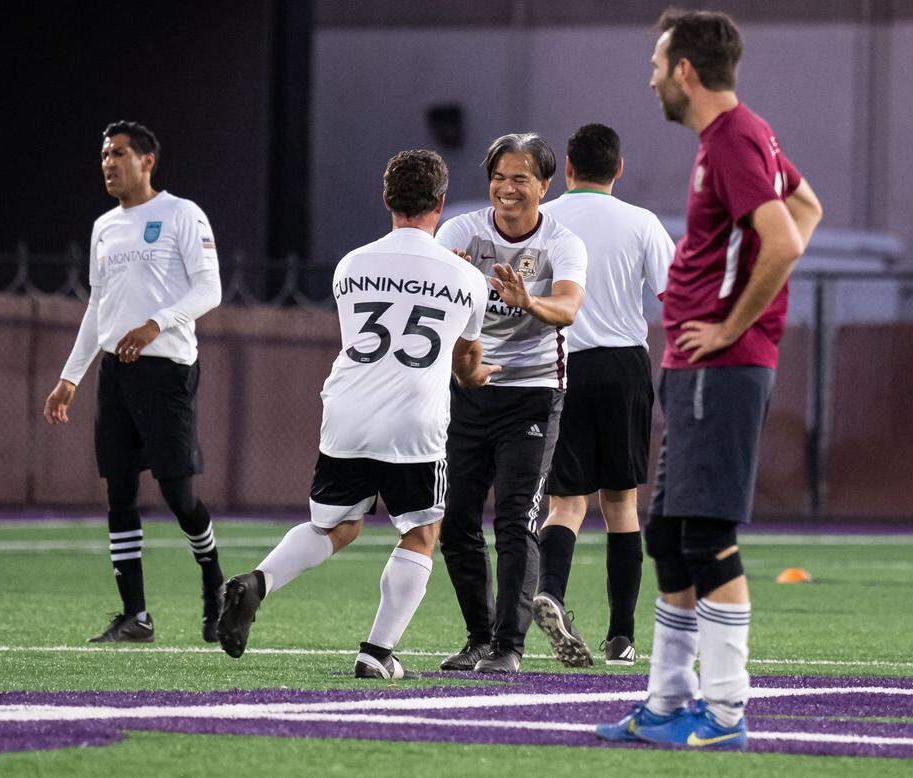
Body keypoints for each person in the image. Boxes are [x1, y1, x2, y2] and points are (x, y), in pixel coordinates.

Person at [596, 10, 822, 750]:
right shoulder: (737, 136)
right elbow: (807, 206)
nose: (653, 75)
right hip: (698, 368)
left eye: (659, 62)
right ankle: (666, 701)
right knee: (667, 533)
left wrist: (734, 325)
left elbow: (784, 237)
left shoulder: (730, 139)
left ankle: (724, 714)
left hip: (719, 367)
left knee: (706, 536)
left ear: (687, 70)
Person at [216, 149, 495, 679]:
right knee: (419, 533)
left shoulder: (351, 264)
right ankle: (378, 653)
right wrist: (477, 377)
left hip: (347, 411)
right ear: (440, 202)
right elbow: (465, 359)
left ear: (386, 199)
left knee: (336, 526)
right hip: (414, 421)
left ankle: (259, 582)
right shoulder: (466, 279)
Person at [43, 121, 225, 644]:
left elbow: (209, 288)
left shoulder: (181, 214)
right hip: (114, 373)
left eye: (118, 154)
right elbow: (97, 306)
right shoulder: (104, 226)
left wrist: (156, 323)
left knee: (177, 493)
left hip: (167, 368)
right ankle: (135, 616)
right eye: (103, 154)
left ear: (147, 161)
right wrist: (69, 378)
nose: (107, 163)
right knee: (119, 491)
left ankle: (214, 585)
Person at [434, 133, 588, 674]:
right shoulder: (459, 232)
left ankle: (508, 646)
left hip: (532, 393)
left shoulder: (563, 242)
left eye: (520, 178)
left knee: (515, 520)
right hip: (468, 389)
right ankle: (478, 637)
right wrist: (441, 276)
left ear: (545, 185)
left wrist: (529, 300)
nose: (506, 188)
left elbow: (568, 309)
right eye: (499, 177)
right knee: (453, 521)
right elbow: (427, 294)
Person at [531, 123, 674, 669]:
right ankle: (621, 636)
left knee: (566, 502)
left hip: (561, 364)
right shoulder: (641, 222)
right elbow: (673, 295)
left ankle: (552, 592)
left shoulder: (546, 221)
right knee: (621, 503)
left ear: (565, 167)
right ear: (619, 168)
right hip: (622, 366)